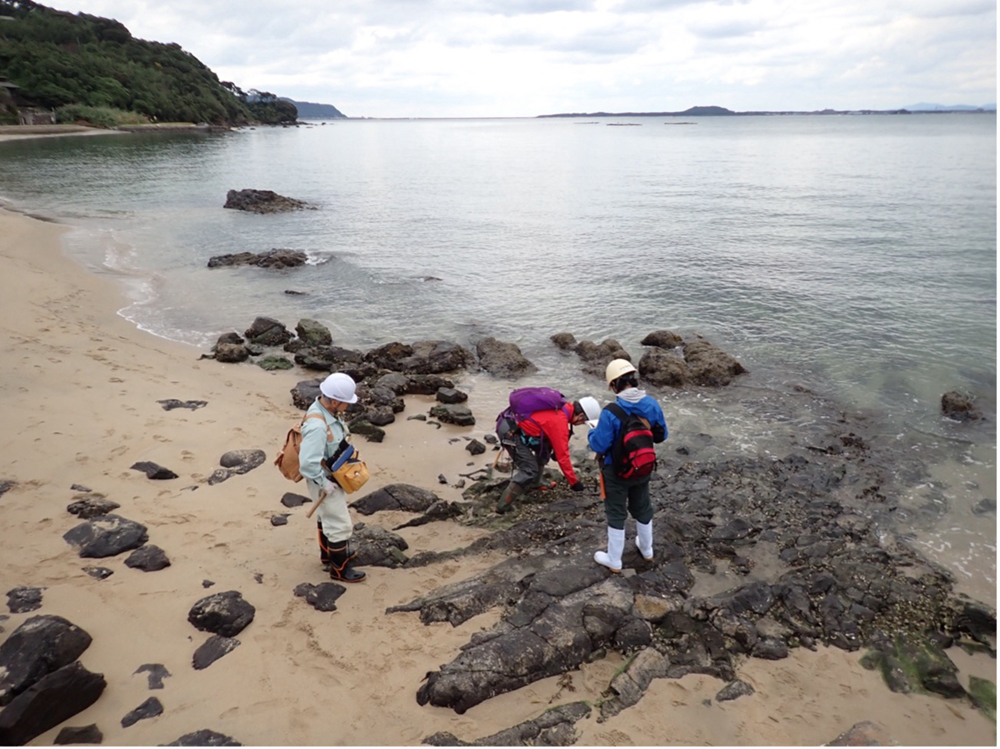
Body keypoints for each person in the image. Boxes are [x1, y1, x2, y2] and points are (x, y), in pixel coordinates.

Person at [587, 359, 667, 572]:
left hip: (616, 471)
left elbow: (599, 444)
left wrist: (592, 431)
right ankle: (647, 550)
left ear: (614, 385)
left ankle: (614, 560)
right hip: (643, 465)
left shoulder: (610, 411)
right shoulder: (652, 404)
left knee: (616, 511)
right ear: (634, 380)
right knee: (643, 506)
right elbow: (662, 435)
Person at [298, 372, 366, 583]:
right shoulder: (318, 426)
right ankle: (339, 570)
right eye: (345, 402)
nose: (348, 406)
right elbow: (308, 463)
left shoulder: (323, 408)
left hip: (331, 474)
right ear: (335, 401)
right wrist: (324, 483)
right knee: (340, 524)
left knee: (325, 516)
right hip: (324, 479)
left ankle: (328, 555)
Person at [495, 395, 602, 514]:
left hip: (516, 425)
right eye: (583, 422)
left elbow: (550, 433)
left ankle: (536, 483)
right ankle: (502, 506)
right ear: (581, 416)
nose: (580, 424)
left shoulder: (563, 407)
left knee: (544, 450)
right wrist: (574, 482)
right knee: (529, 470)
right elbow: (563, 458)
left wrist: (555, 450)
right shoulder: (560, 421)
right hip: (510, 431)